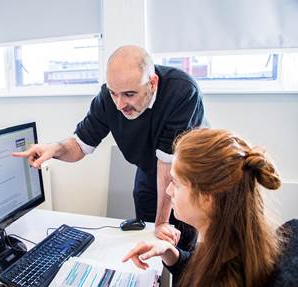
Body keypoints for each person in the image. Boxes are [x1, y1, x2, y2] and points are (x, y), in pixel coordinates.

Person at [13, 45, 205, 248]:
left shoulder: (182, 91)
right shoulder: (108, 97)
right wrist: (55, 149)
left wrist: (163, 222)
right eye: (114, 93)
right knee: (150, 237)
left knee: (178, 240)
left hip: (184, 174)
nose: (120, 105)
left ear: (153, 83)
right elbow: (80, 144)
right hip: (149, 169)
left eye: (129, 94)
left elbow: (167, 164)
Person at [122, 128, 283, 287]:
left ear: (207, 198)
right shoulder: (231, 249)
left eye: (176, 183)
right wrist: (172, 254)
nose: (168, 190)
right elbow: (202, 270)